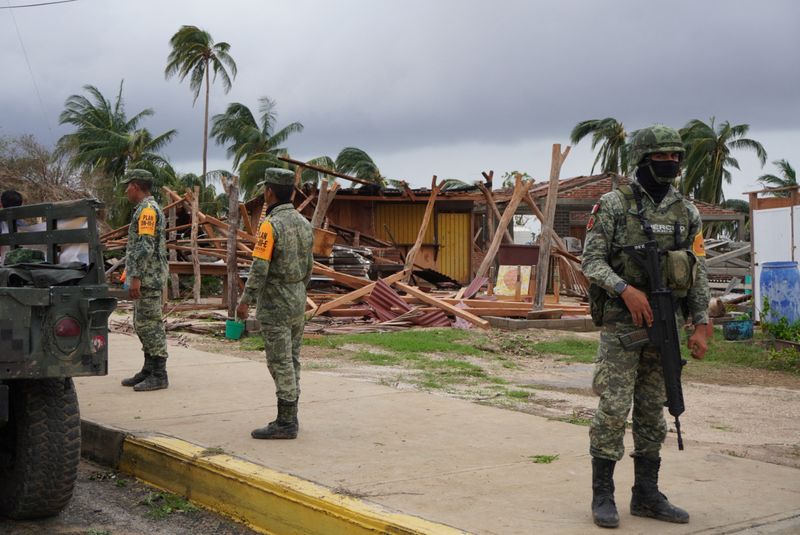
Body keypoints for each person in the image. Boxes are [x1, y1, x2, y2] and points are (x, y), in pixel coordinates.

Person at [581, 125, 710, 528]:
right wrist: (626, 290)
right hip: (623, 326)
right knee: (614, 409)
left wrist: (701, 322)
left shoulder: (686, 211)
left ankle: (647, 495)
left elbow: (696, 271)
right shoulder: (613, 205)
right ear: (643, 159)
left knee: (655, 412)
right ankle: (603, 496)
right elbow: (592, 262)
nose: (670, 163)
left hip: (666, 324)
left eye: (675, 156)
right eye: (661, 157)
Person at [237, 168, 313, 440]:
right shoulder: (304, 224)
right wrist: (298, 291)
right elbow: (309, 268)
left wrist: (245, 301)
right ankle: (292, 415)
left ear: (269, 192)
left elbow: (259, 268)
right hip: (296, 298)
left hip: (276, 302)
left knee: (279, 362)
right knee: (292, 359)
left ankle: (286, 421)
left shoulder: (269, 225)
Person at [119, 169, 170, 391]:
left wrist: (136, 277)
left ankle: (159, 374)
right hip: (145, 276)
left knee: (151, 325)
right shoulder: (143, 209)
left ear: (136, 187)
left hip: (148, 277)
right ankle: (149, 369)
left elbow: (145, 246)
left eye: (128, 185)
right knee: (142, 324)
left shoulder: (148, 210)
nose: (126, 190)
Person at [0, 190, 23, 265]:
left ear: (1, 204)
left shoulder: (2, 223)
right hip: (23, 262)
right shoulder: (23, 224)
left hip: (5, 262)